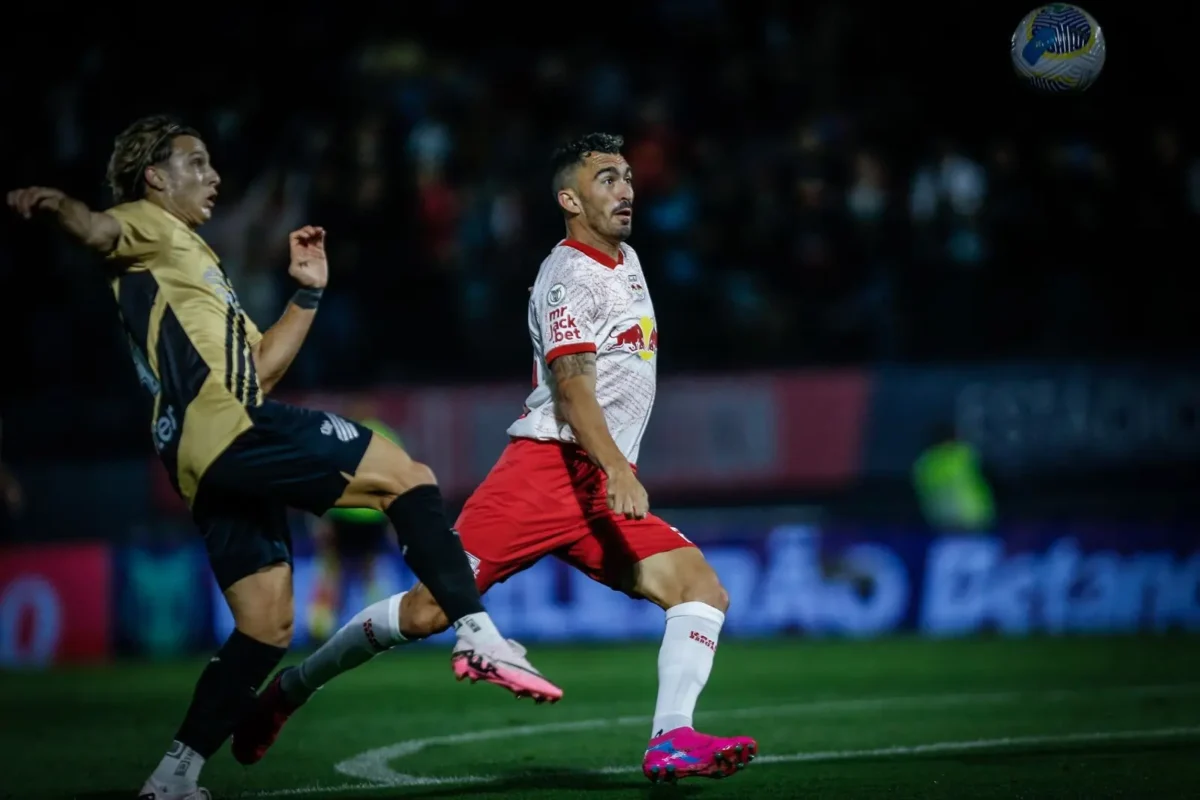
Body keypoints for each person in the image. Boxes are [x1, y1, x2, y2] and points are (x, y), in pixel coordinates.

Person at [6, 115, 560, 800]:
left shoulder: (193, 263)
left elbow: (259, 367)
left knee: (265, 628)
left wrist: (307, 292)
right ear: (155, 177)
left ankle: (173, 776)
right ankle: (477, 633)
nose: (212, 177)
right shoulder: (147, 224)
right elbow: (97, 231)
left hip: (198, 452)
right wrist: (58, 204)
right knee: (408, 478)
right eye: (196, 163)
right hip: (232, 428)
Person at [235, 133, 757, 784]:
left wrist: (614, 471)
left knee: (699, 589)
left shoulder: (627, 260)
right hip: (544, 473)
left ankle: (671, 739)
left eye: (626, 177)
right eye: (605, 179)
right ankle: (293, 689)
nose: (624, 189)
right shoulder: (568, 276)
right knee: (427, 610)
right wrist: (621, 468)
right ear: (569, 198)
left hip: (597, 483)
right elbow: (570, 390)